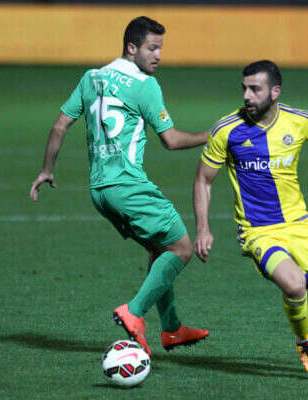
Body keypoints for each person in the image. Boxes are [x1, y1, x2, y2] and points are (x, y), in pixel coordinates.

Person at [29, 16, 209, 356]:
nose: (158, 56)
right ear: (131, 47)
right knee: (181, 249)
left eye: (160, 48)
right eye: (152, 48)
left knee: (160, 250)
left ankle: (172, 329)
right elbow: (171, 140)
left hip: (100, 191)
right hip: (128, 187)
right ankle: (134, 311)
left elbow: (59, 125)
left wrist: (46, 170)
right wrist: (213, 135)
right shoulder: (145, 85)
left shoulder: (91, 77)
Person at [193, 60, 308, 378]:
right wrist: (203, 228)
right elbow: (203, 180)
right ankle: (305, 343)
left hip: (301, 226)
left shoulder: (300, 121)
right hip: (258, 231)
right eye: (244, 88)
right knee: (294, 283)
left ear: (275, 92)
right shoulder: (226, 129)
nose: (247, 95)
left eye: (255, 89)